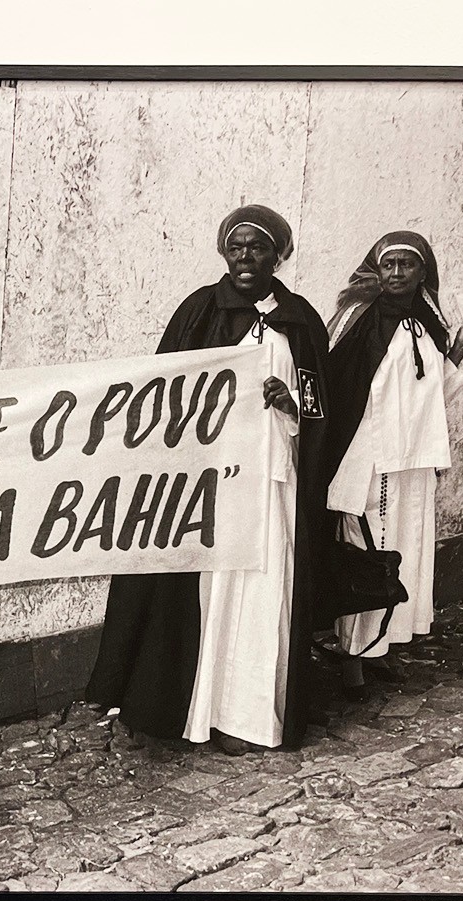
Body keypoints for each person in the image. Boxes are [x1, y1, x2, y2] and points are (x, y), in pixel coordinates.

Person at [86, 205, 331, 753]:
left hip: (271, 483)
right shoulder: (200, 312)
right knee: (206, 595)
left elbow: (321, 408)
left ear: (279, 254)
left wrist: (290, 407)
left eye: (258, 247)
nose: (246, 257)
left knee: (262, 595)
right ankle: (195, 710)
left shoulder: (301, 320)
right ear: (224, 252)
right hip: (210, 488)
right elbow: (162, 397)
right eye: (236, 247)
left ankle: (244, 715)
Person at [322, 231, 463, 688]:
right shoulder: (358, 319)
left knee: (403, 554)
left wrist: (457, 356)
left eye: (407, 264)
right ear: (375, 269)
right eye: (389, 265)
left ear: (423, 271)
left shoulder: (429, 321)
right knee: (366, 555)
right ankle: (353, 656)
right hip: (370, 460)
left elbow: (429, 398)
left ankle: (383, 645)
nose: (396, 273)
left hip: (414, 461)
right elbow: (340, 390)